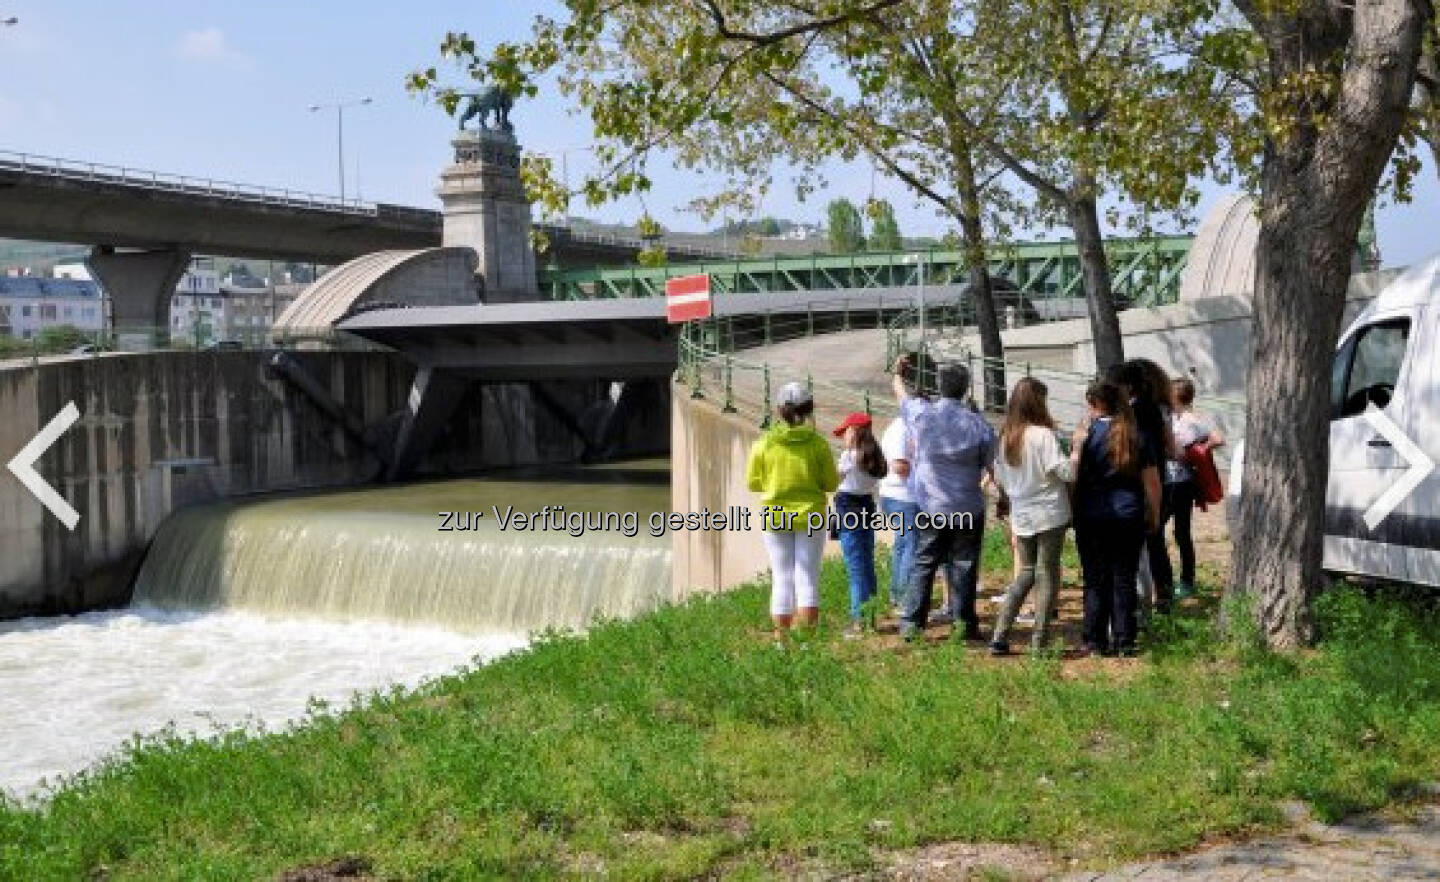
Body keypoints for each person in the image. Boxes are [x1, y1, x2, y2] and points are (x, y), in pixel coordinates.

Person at [892, 359, 996, 642]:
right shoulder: (978, 425)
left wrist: (898, 373)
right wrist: (1005, 498)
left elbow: (901, 395)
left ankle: (912, 623)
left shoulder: (922, 415)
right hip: (967, 506)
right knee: (964, 564)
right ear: (965, 389)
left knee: (924, 562)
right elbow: (993, 466)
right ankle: (963, 624)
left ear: (939, 386)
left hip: (931, 505)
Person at [1072, 379, 1161, 657]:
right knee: (1124, 577)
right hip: (1128, 513)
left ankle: (1095, 639)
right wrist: (1154, 514)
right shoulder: (1135, 434)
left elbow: (1073, 477)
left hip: (1091, 513)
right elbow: (1152, 482)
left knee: (1095, 578)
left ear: (1095, 404)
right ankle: (1125, 638)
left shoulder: (1085, 437)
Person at [746, 382, 839, 640]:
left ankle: (781, 643)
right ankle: (807, 644)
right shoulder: (819, 444)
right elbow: (831, 483)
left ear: (779, 410)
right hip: (811, 515)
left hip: (774, 515)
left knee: (781, 576)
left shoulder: (764, 444)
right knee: (807, 576)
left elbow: (753, 482)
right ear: (810, 409)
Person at [989, 378, 1074, 655]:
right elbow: (1065, 473)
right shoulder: (1042, 435)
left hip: (1022, 513)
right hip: (1049, 512)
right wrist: (1076, 454)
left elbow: (999, 478)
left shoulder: (1006, 437)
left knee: (1025, 573)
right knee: (1047, 573)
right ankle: (1040, 639)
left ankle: (1000, 634)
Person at [1109, 359, 1178, 617]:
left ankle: (1153, 601)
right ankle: (1163, 596)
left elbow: (1146, 450)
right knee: (1155, 544)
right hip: (1157, 478)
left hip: (1147, 482)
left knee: (1149, 544)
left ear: (1128, 387)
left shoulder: (1139, 412)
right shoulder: (1155, 408)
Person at [832, 411, 887, 634]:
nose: (843, 437)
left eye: (845, 432)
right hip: (866, 505)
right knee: (866, 563)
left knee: (855, 566)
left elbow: (833, 478)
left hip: (848, 509)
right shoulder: (874, 456)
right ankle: (870, 615)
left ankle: (858, 621)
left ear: (854, 432)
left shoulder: (849, 457)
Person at [1169, 377, 1224, 598]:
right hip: (1167, 481)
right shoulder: (1172, 417)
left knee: (1181, 532)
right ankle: (1168, 578)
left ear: (1176, 396)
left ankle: (1187, 580)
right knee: (1164, 530)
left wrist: (1198, 450)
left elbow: (1218, 439)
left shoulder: (1192, 420)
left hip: (1181, 483)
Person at [878, 382, 920, 615]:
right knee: (909, 546)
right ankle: (904, 597)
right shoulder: (901, 429)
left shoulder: (906, 427)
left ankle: (898, 593)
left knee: (903, 545)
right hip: (902, 496)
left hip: (898, 495)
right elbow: (899, 466)